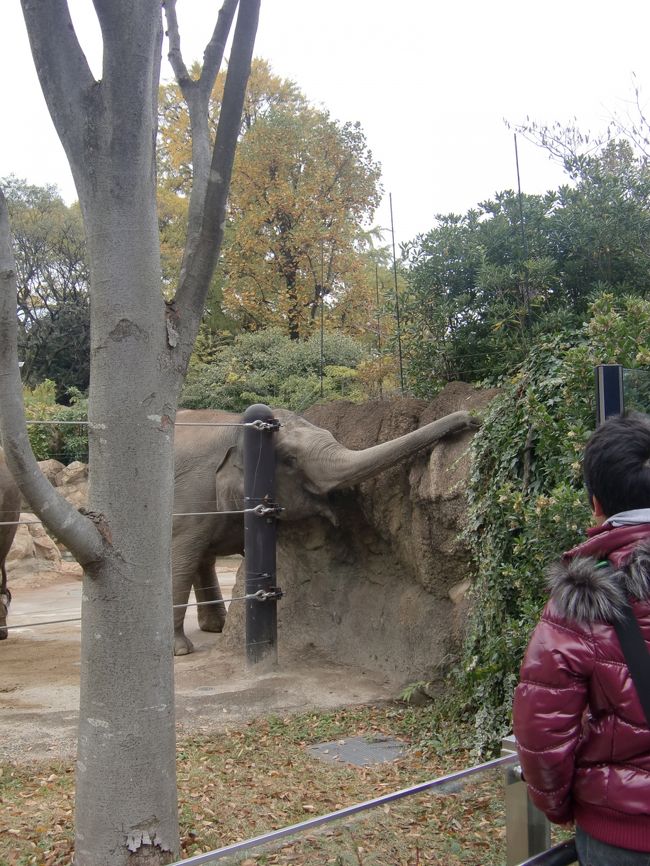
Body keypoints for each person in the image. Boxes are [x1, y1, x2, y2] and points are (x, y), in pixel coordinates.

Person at [513, 411, 650, 866]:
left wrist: (560, 806)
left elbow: (543, 724)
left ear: (595, 502)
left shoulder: (582, 598)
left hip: (624, 834)